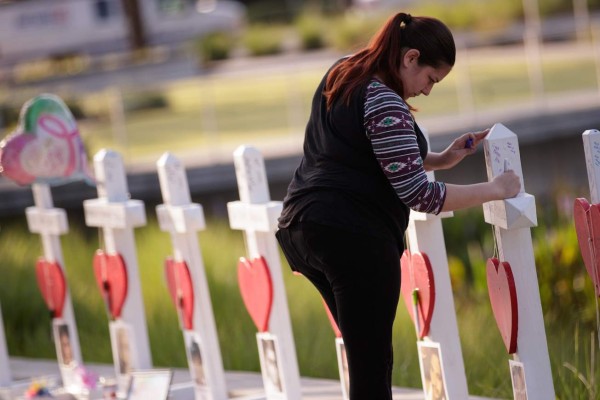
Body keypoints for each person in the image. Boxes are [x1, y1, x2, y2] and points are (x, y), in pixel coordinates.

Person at [275, 12, 521, 400]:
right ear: (410, 58)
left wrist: (440, 158)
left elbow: (361, 149)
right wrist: (495, 188)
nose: (427, 91)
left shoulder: (344, 72)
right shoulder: (385, 101)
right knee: (372, 373)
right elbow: (421, 195)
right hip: (352, 237)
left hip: (302, 228)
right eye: (430, 79)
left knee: (366, 355)